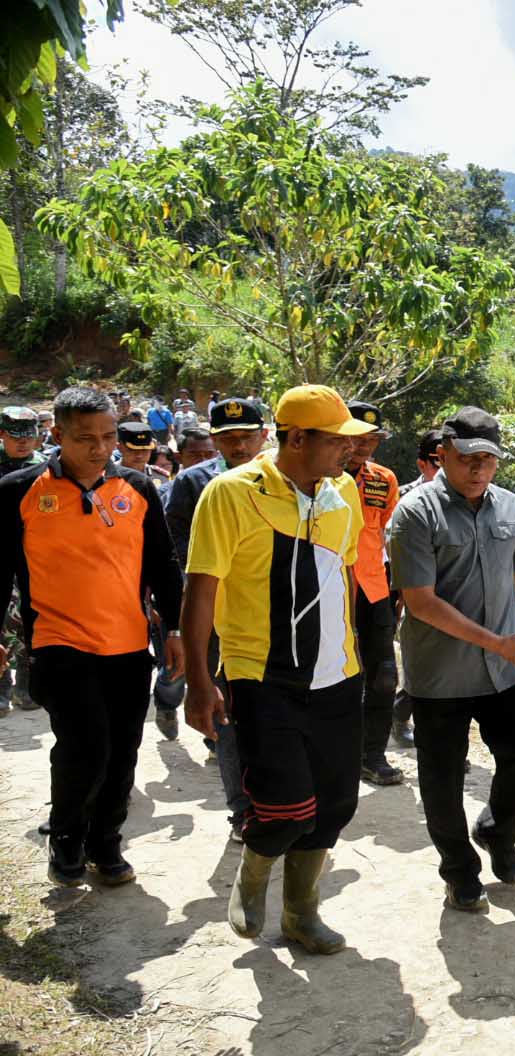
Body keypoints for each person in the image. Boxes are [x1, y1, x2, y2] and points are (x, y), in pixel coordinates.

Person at [182, 385, 373, 954]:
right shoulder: (229, 493)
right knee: (285, 804)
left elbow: (346, 577)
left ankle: (300, 914)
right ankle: (252, 874)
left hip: (338, 674)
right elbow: (200, 590)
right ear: (296, 438)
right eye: (337, 441)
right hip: (261, 674)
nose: (349, 451)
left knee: (337, 802)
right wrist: (198, 680)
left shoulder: (344, 491)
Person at [0, 387, 184, 886]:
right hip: (57, 645)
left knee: (123, 750)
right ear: (56, 435)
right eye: (85, 439)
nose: (100, 448)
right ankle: (65, 839)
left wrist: (175, 627)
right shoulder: (18, 491)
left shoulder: (137, 489)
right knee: (86, 748)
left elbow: (162, 565)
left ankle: (106, 844)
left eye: (107, 437)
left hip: (127, 647)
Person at [388, 407, 515, 914]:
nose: (479, 469)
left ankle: (497, 830)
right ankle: (459, 871)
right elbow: (420, 601)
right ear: (442, 454)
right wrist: (498, 641)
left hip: (504, 669)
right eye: (468, 458)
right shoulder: (415, 513)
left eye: (489, 459)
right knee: (441, 780)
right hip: (440, 672)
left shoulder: (510, 507)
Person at [158, 397, 269, 835]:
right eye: (228, 439)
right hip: (217, 611)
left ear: (265, 435)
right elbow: (176, 547)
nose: (238, 446)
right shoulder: (192, 483)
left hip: (271, 611)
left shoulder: (286, 479)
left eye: (247, 437)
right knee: (228, 708)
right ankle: (242, 808)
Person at [343, 400, 403, 786]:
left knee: (383, 675)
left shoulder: (384, 479)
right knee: (335, 676)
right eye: (358, 436)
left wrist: (397, 587)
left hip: (374, 588)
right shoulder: (315, 475)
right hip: (326, 591)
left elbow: (391, 536)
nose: (365, 444)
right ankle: (333, 755)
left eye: (374, 438)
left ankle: (372, 755)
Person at [389, 429, 444, 748]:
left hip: (452, 593)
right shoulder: (404, 498)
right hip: (412, 592)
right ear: (422, 464)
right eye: (437, 463)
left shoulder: (469, 495)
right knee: (424, 663)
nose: (444, 470)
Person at [0, 407, 46, 715]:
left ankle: (26, 687)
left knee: (35, 618)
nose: (23, 443)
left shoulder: (47, 468)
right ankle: (2, 687)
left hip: (36, 556)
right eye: (15, 437)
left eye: (29, 436)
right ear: (2, 435)